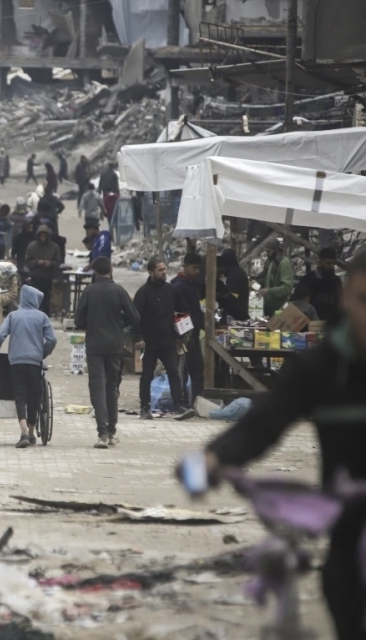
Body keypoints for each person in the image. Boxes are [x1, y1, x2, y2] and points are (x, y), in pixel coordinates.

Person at [199, 249, 366, 640]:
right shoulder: (320, 367)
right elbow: (265, 422)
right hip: (347, 540)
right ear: (346, 298)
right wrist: (214, 457)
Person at [75, 257, 140, 449]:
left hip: (94, 345)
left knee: (97, 386)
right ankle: (111, 431)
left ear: (94, 272)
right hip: (115, 345)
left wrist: (91, 323)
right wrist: (119, 322)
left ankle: (102, 433)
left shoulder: (89, 291)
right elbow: (135, 318)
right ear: (111, 270)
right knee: (112, 386)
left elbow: (78, 321)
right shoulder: (119, 291)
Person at [0, 285, 58, 448]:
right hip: (35, 362)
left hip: (16, 362)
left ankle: (23, 431)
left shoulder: (13, 316)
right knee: (33, 395)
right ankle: (32, 431)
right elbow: (52, 340)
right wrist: (42, 353)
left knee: (19, 395)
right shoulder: (42, 317)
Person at [133, 258, 196, 420]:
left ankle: (179, 406)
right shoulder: (143, 293)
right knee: (147, 375)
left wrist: (182, 334)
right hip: (149, 343)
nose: (164, 272)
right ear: (151, 272)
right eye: (160, 270)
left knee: (174, 373)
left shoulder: (171, 290)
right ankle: (145, 407)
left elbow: (183, 311)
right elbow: (135, 318)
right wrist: (138, 338)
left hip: (168, 341)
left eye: (164, 269)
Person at [172, 252, 206, 404]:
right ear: (185, 266)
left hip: (194, 334)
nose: (197, 271)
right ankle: (182, 403)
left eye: (199, 268)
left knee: (197, 369)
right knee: (183, 370)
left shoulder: (191, 285)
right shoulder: (178, 286)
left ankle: (197, 402)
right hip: (184, 336)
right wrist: (181, 335)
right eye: (195, 268)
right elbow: (176, 313)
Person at [24, 225, 62, 317]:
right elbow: (27, 262)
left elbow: (58, 261)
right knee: (35, 299)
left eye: (45, 236)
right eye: (42, 236)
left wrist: (51, 264)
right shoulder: (32, 246)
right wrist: (37, 262)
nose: (43, 238)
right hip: (35, 277)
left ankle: (45, 317)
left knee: (46, 299)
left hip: (47, 277)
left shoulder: (54, 247)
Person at [299, 247, 343, 323]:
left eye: (333, 263)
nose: (331, 266)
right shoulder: (307, 280)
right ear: (320, 261)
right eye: (328, 263)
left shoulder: (336, 281)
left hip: (331, 324)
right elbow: (300, 305)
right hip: (311, 323)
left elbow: (339, 305)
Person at [255, 237, 294, 317]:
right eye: (266, 251)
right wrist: (256, 282)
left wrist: (269, 290)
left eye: (269, 251)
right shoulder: (270, 261)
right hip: (268, 305)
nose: (267, 254)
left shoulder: (284, 263)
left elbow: (287, 287)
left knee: (277, 324)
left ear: (276, 250)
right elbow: (266, 279)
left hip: (280, 307)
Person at [216, 248, 249, 321]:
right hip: (241, 312)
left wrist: (218, 298)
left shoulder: (234, 276)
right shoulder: (238, 272)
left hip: (236, 316)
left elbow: (232, 297)